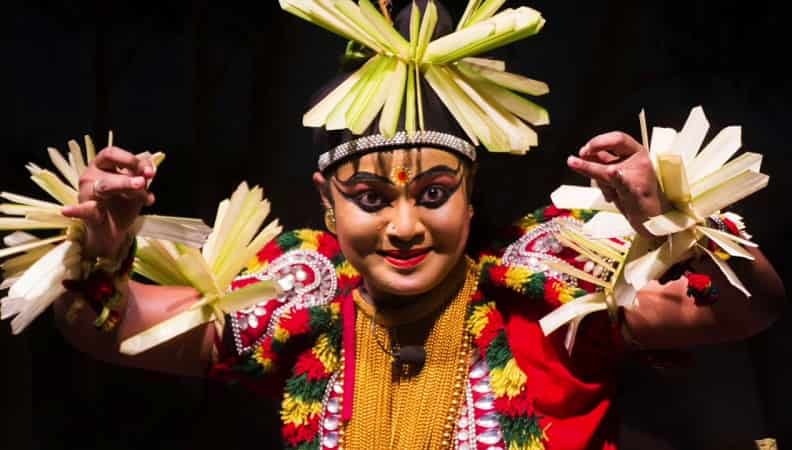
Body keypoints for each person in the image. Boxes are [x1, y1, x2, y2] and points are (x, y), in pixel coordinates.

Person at [11, 1, 786, 449]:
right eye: (372, 197)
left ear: (472, 197)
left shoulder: (548, 302)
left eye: (436, 193)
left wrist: (675, 222)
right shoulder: (296, 302)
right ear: (327, 203)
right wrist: (102, 251)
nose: (406, 225)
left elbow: (749, 308)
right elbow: (110, 329)